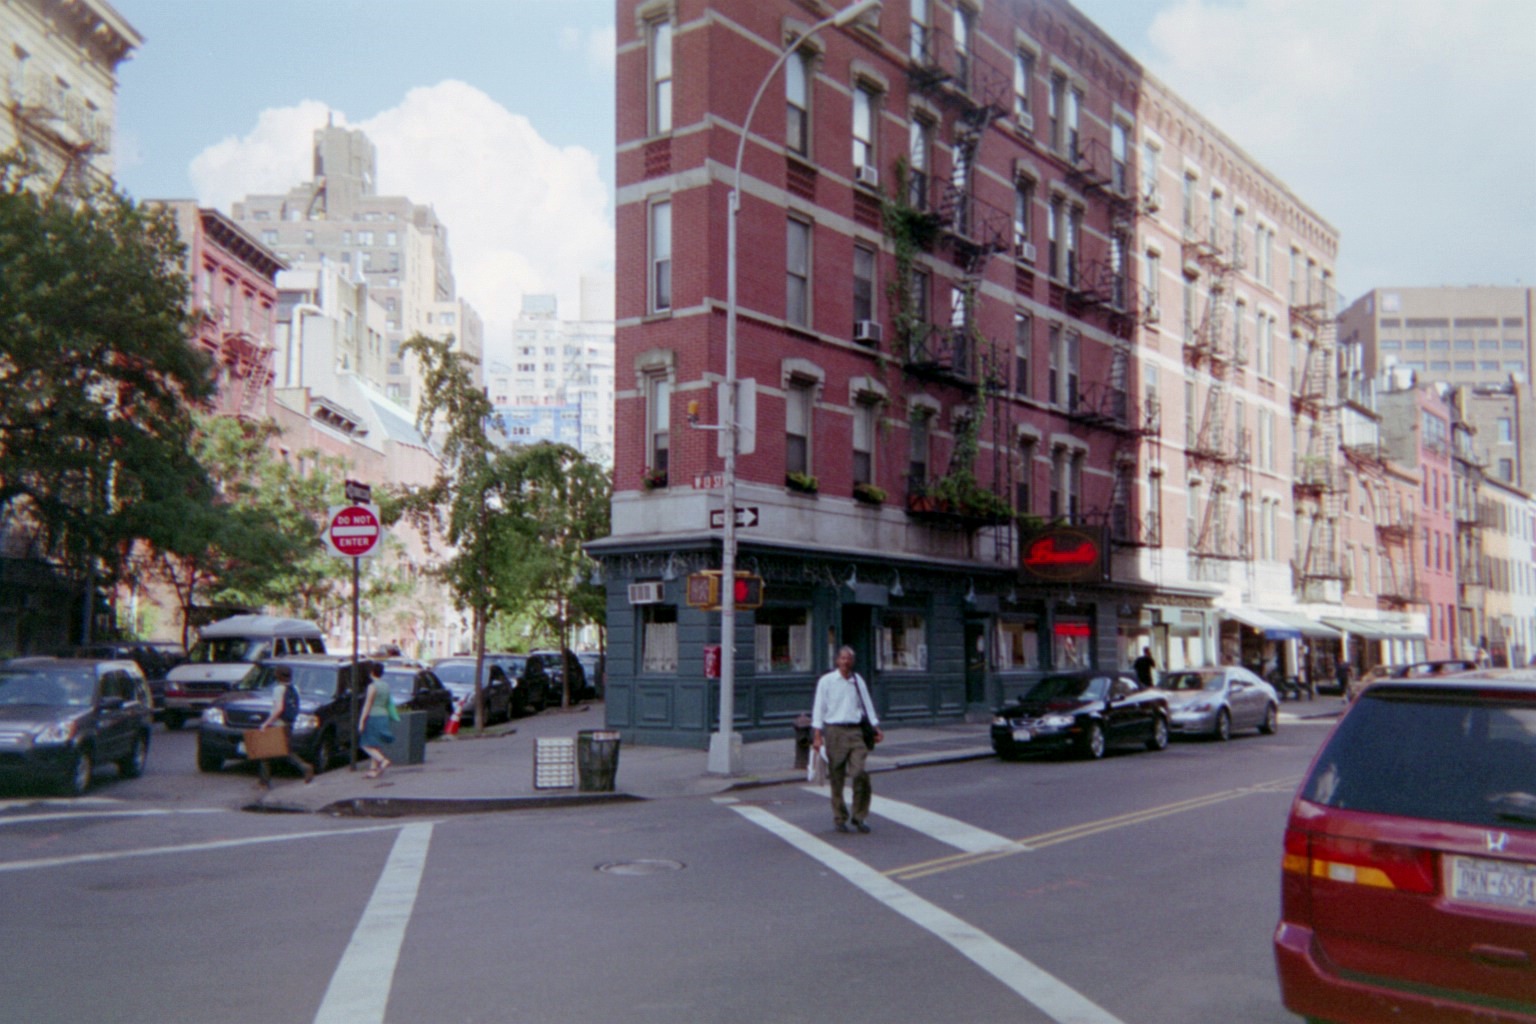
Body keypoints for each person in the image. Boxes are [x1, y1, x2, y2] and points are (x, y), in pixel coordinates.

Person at [810, 646, 882, 834]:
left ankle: (859, 816)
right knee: (837, 777)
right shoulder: (826, 681)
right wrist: (817, 735)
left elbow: (867, 705)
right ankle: (840, 817)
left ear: (853, 661)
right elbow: (819, 708)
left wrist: (875, 727)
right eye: (842, 658)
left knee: (859, 773)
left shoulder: (858, 681)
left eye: (849, 658)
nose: (846, 662)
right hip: (834, 732)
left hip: (856, 732)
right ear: (837, 661)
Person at [257, 666, 314, 789]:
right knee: (281, 751)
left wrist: (266, 723)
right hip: (289, 724)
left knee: (268, 753)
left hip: (278, 725)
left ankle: (264, 782)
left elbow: (279, 709)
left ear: (279, 676)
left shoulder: (278, 689)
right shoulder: (295, 689)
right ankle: (263, 781)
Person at [357, 662, 395, 779]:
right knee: (376, 744)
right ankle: (373, 770)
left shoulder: (372, 686)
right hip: (383, 715)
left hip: (373, 716)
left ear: (372, 672)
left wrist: (362, 721)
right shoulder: (386, 686)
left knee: (365, 744)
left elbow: (367, 704)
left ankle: (383, 760)